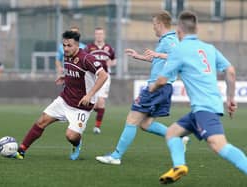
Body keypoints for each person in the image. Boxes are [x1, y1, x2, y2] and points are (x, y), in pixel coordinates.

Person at [148, 10, 247, 184]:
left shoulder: (180, 49)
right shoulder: (209, 48)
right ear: (197, 28)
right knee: (172, 133)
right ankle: (179, 166)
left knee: (219, 145)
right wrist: (231, 99)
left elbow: (162, 80)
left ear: (179, 30)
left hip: (205, 108)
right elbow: (230, 71)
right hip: (202, 108)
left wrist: (152, 86)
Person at [96, 10, 188, 165]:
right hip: (164, 87)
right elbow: (162, 61)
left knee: (132, 119)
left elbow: (180, 57)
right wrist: (139, 56)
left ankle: (116, 156)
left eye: (154, 25)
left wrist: (158, 55)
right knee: (145, 124)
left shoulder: (169, 39)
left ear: (159, 24)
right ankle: (178, 137)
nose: (153, 28)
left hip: (157, 87)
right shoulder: (167, 40)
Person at [14, 31, 108, 160]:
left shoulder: (86, 58)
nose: (66, 48)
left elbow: (104, 76)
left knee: (71, 136)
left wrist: (89, 95)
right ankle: (21, 150)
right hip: (65, 99)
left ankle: (77, 143)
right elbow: (76, 73)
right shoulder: (66, 55)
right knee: (42, 121)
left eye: (69, 45)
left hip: (82, 106)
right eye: (64, 45)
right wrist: (66, 77)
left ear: (77, 45)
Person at [85, 27, 116, 134]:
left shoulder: (108, 48)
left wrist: (111, 63)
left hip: (105, 77)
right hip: (92, 78)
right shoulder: (89, 48)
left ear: (104, 35)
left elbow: (114, 59)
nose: (99, 36)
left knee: (101, 102)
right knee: (94, 104)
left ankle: (97, 127)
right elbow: (83, 59)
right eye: (97, 34)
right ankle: (83, 115)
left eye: (101, 34)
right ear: (95, 35)